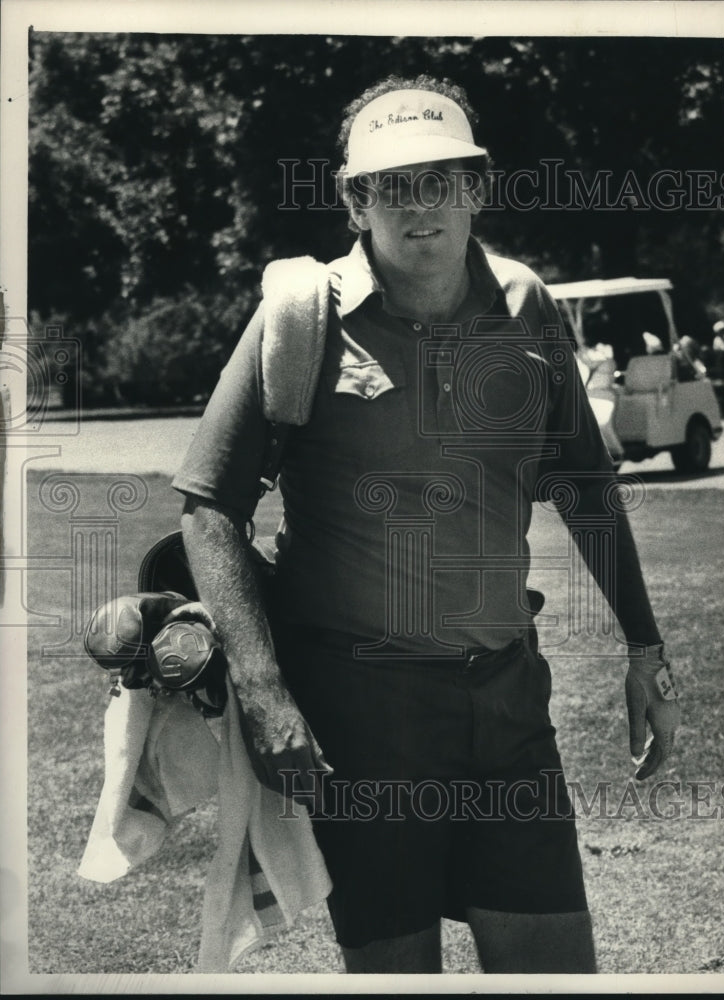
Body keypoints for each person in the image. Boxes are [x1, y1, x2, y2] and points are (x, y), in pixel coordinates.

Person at [172, 75, 679, 975]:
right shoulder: (300, 317)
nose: (418, 206)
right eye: (391, 185)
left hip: (508, 705)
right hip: (362, 722)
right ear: (355, 200)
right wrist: (263, 690)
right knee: (395, 973)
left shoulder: (527, 308)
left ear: (475, 187)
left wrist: (644, 647)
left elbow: (587, 487)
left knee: (557, 971)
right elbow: (211, 504)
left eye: (438, 179)